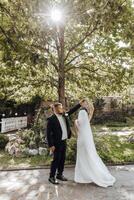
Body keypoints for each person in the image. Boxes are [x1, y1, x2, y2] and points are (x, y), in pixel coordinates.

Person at [74, 100, 116, 187]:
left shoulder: (81, 113)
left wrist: (76, 122)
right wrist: (91, 110)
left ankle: (84, 175)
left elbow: (79, 128)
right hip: (85, 139)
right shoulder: (86, 115)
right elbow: (87, 121)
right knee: (89, 156)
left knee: (84, 157)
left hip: (82, 140)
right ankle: (88, 174)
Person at [47, 100, 84, 184]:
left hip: (64, 141)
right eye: (60, 108)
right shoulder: (51, 120)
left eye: (61, 107)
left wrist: (79, 104)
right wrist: (51, 145)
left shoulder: (64, 115)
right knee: (56, 159)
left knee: (62, 159)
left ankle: (59, 174)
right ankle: (51, 177)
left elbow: (71, 111)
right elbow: (48, 134)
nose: (62, 109)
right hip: (56, 143)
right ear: (55, 109)